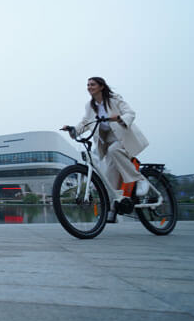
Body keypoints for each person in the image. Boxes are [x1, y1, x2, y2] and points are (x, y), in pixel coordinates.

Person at [61, 77, 150, 221]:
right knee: (109, 179)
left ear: (101, 86)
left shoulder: (114, 99)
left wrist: (120, 118)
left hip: (122, 138)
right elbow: (85, 122)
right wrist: (73, 129)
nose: (89, 87)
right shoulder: (90, 106)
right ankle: (113, 209)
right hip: (107, 143)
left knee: (114, 150)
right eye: (88, 85)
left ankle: (139, 179)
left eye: (92, 84)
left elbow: (130, 113)